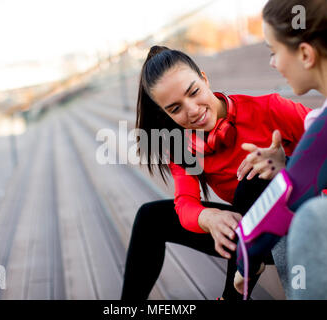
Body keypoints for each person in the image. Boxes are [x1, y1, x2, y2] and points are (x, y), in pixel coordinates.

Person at [120, 45, 311, 300]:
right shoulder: (184, 146)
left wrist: (285, 164)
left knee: (251, 182)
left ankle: (230, 297)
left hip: (304, 224)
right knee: (150, 218)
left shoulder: (270, 109)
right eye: (175, 108)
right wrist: (208, 218)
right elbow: (185, 203)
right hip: (249, 233)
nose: (192, 110)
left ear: (204, 78)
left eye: (194, 92)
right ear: (164, 112)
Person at [233, 0, 327, 299]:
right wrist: (288, 165)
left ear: (306, 54)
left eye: (274, 52)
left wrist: (244, 260)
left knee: (314, 220)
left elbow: (282, 202)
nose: (273, 63)